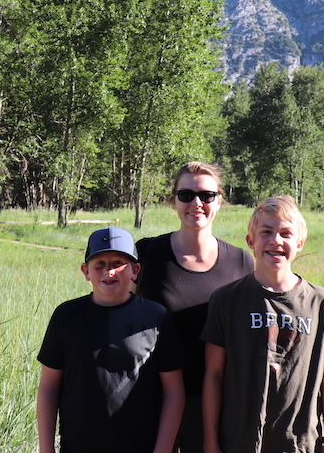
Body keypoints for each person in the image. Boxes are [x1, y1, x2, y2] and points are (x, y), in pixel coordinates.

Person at [201, 195, 324, 453]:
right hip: (238, 441)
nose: (276, 241)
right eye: (266, 232)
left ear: (300, 242)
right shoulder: (226, 300)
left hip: (299, 442)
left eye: (286, 234)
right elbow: (213, 374)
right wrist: (211, 442)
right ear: (251, 240)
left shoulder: (320, 302)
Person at [135, 162, 254, 453]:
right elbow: (118, 314)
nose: (196, 203)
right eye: (186, 195)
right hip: (151, 400)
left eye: (207, 195)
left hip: (217, 404)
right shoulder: (148, 254)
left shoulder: (242, 262)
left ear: (220, 200)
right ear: (173, 200)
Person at [37, 226, 185, 453]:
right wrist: (46, 449)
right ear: (86, 271)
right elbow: (48, 387)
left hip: (141, 446)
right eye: (100, 264)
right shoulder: (66, 316)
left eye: (118, 263)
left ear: (135, 270)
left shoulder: (156, 316)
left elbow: (174, 391)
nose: (110, 271)